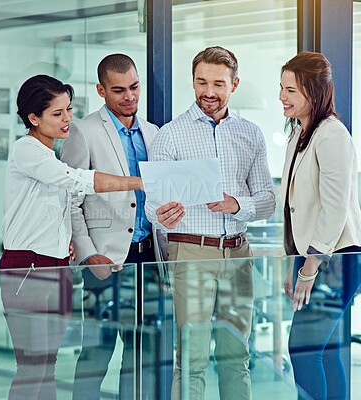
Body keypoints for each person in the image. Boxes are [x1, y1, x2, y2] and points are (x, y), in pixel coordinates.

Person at [0, 74, 144, 400]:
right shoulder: (26, 149)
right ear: (33, 118)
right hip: (28, 269)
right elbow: (76, 180)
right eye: (57, 113)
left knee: (47, 364)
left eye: (69, 110)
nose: (68, 119)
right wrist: (136, 182)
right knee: (32, 366)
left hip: (58, 266)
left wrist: (64, 238)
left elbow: (53, 208)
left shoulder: (49, 155)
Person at [145, 46, 276, 400]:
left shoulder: (251, 134)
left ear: (234, 84)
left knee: (237, 356)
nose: (209, 91)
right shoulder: (170, 135)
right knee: (191, 359)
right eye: (201, 82)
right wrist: (159, 213)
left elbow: (268, 199)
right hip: (191, 252)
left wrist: (237, 205)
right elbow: (151, 203)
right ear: (192, 81)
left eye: (218, 83)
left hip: (238, 254)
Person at [61, 54, 164, 400]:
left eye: (134, 87)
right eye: (118, 90)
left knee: (143, 354)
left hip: (148, 259)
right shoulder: (84, 131)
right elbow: (70, 200)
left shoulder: (154, 134)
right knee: (97, 352)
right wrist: (89, 255)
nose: (129, 97)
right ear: (101, 91)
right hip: (104, 263)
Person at [280, 51, 361, 400]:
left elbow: (333, 208)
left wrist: (308, 268)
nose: (282, 97)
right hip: (314, 258)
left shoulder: (332, 136)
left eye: (291, 91)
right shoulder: (299, 135)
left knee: (303, 348)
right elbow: (294, 208)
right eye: (280, 88)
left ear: (313, 93)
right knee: (323, 350)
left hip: (335, 260)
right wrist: (293, 262)